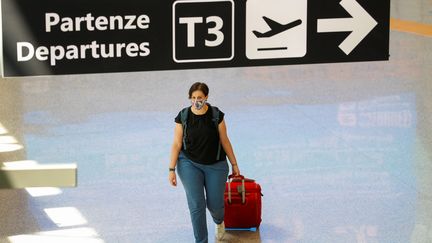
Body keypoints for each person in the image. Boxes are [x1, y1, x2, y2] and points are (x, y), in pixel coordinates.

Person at [168, 82, 241, 243]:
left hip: (216, 165)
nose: (196, 101)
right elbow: (176, 144)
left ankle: (218, 221)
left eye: (199, 97)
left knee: (215, 205)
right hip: (189, 164)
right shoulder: (183, 116)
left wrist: (234, 164)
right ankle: (201, 241)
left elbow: (225, 141)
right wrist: (171, 169)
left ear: (206, 97)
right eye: (193, 98)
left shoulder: (216, 115)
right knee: (196, 205)